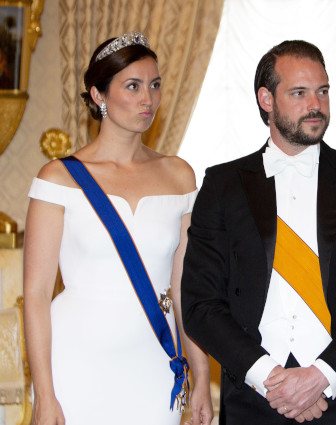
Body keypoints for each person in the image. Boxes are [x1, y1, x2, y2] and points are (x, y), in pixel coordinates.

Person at [181, 39, 336, 424]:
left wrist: (323, 377)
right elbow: (200, 303)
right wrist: (269, 379)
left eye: (322, 92)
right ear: (266, 99)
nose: (316, 105)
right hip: (253, 398)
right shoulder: (222, 184)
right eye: (299, 93)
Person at [23, 32, 212, 425]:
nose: (149, 99)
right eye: (133, 86)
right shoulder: (59, 178)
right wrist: (44, 394)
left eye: (155, 85)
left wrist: (202, 375)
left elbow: (185, 287)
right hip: (75, 364)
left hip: (153, 362)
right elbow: (37, 294)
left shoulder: (179, 175)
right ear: (98, 95)